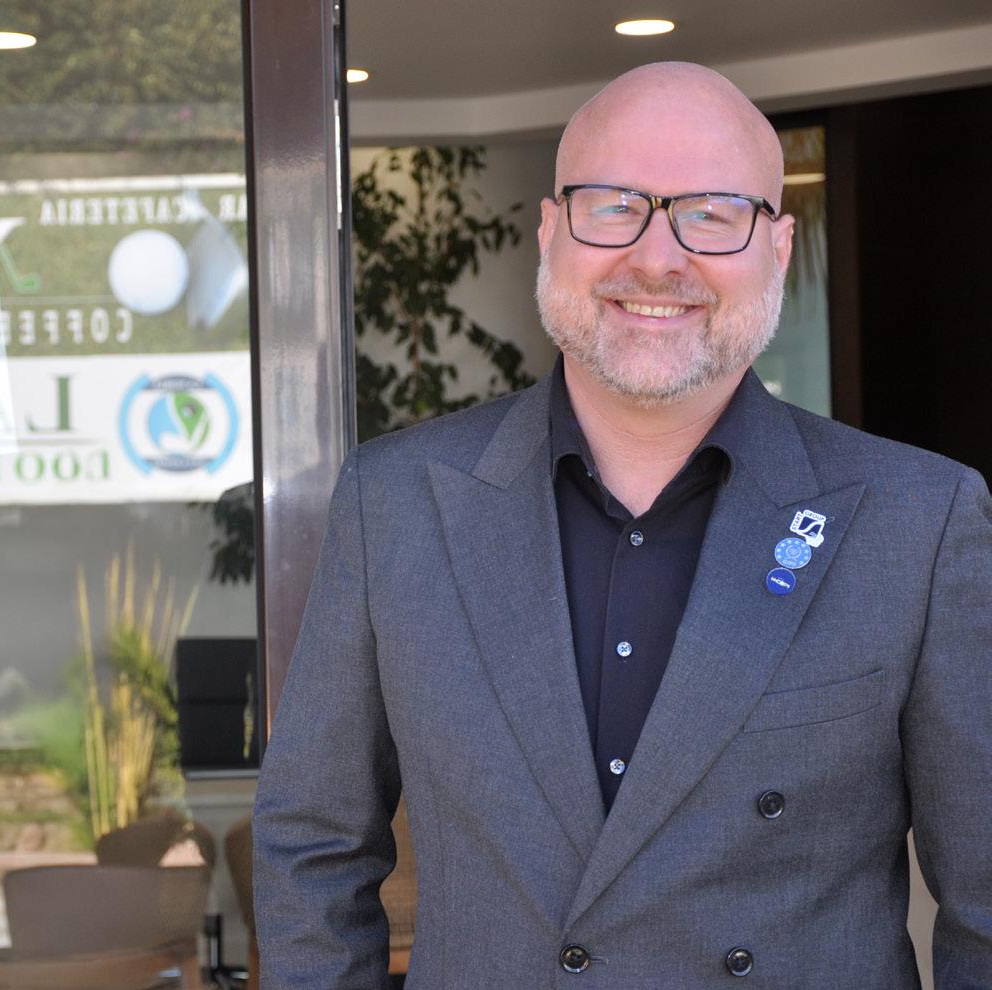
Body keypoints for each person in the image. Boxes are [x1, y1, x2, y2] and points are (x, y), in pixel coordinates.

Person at [252, 61, 992, 988]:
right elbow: (313, 850)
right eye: (613, 206)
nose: (656, 259)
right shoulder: (395, 500)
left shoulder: (919, 522)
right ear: (549, 232)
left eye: (712, 213)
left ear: (777, 247)